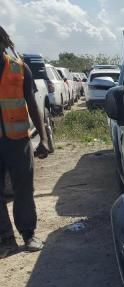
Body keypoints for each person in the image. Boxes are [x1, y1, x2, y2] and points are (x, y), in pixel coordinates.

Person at [0, 25, 49, 258]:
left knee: (23, 190)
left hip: (17, 142)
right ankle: (5, 239)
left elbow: (32, 104)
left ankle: (28, 234)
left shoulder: (20, 69)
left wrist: (44, 138)